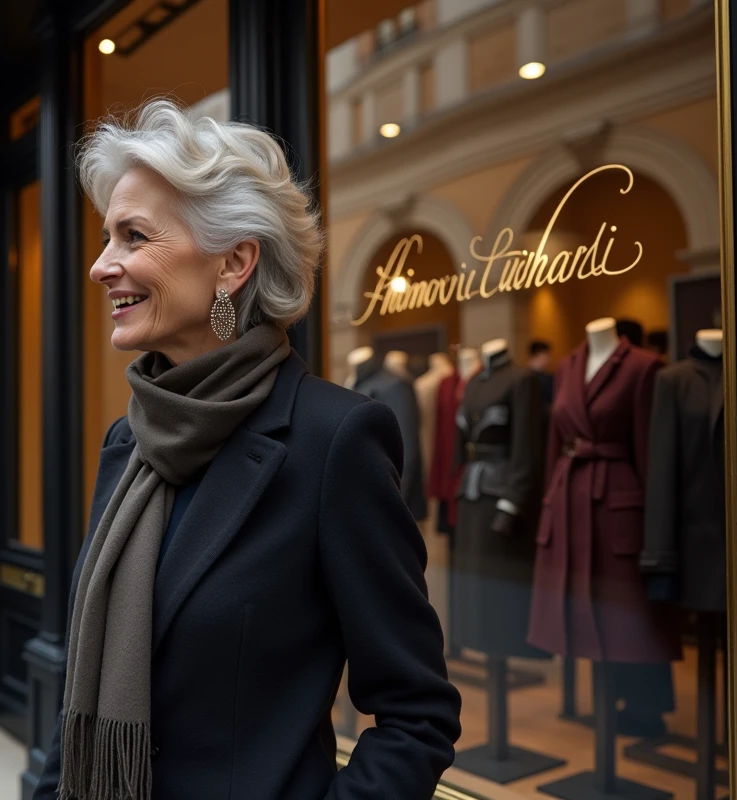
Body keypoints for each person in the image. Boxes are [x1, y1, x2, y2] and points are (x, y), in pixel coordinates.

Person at [33, 101, 460, 800]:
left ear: (234, 263)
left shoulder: (334, 441)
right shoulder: (129, 442)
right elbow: (81, 699)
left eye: (133, 236)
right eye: (107, 237)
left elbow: (418, 717)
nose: (101, 265)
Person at [528, 339, 554, 410]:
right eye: (547, 355)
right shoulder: (524, 377)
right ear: (539, 354)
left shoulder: (549, 377)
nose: (549, 359)